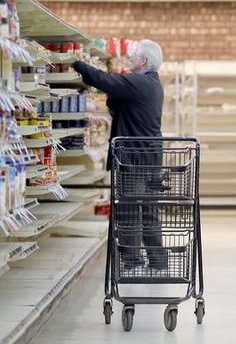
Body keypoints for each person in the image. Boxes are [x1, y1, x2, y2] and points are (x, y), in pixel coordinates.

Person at [72, 39, 167, 270]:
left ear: (144, 61)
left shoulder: (140, 83)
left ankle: (132, 262)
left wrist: (76, 62)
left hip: (133, 159)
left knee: (129, 212)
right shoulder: (152, 84)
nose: (129, 59)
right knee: (149, 213)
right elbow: (116, 102)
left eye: (133, 56)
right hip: (150, 158)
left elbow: (104, 81)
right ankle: (157, 262)